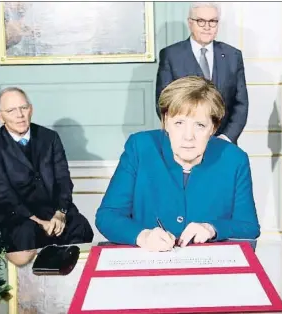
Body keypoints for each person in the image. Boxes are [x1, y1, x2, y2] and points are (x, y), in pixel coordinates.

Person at [96, 76, 260, 252]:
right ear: (165, 121)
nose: (188, 136)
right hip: (149, 266)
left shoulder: (234, 159)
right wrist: (143, 236)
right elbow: (107, 216)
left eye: (200, 125)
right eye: (179, 123)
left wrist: (212, 228)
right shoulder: (140, 147)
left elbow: (249, 227)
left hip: (207, 269)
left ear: (213, 128)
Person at [0, 87, 94, 254]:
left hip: (54, 212)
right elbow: (2, 194)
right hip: (17, 216)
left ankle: (74, 280)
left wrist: (60, 213)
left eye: (24, 108)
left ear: (31, 109)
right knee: (26, 234)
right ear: (0, 116)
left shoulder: (50, 137)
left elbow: (63, 180)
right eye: (11, 110)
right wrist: (39, 221)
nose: (19, 115)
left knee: (80, 226)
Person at [155, 2, 248, 144]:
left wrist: (226, 138)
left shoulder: (233, 55)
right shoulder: (171, 55)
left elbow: (241, 103)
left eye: (212, 21)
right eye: (201, 21)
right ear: (190, 23)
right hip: (184, 142)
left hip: (224, 142)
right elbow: (163, 103)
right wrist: (185, 135)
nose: (207, 27)